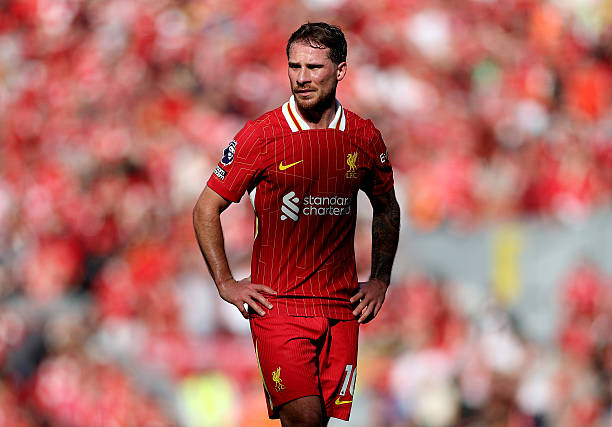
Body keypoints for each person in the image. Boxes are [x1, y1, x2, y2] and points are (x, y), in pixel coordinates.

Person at [193, 22, 400, 426]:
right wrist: (225, 282)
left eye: (314, 67)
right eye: (294, 66)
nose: (302, 77)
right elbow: (205, 208)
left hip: (340, 308)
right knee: (305, 419)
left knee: (317, 422)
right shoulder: (262, 135)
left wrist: (380, 278)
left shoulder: (363, 136)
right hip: (279, 306)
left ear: (340, 70)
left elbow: (387, 208)